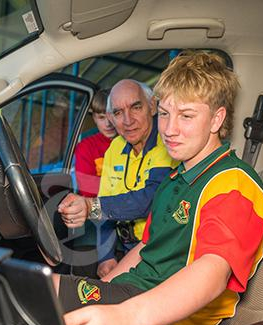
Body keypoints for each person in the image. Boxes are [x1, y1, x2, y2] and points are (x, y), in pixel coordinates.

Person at [53, 51, 263, 325]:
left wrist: (129, 318)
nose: (169, 129)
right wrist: (103, 289)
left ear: (217, 119)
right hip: (137, 294)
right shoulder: (175, 178)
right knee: (41, 292)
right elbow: (146, 245)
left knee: (46, 290)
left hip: (170, 323)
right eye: (165, 114)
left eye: (186, 116)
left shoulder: (232, 183)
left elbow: (213, 272)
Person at [59, 79, 176, 278]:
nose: (127, 121)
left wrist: (89, 206)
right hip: (125, 243)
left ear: (152, 106)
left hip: (158, 249)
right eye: (118, 113)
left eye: (135, 107)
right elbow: (106, 201)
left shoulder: (167, 142)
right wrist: (106, 256)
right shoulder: (115, 147)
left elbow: (150, 200)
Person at [74, 89, 117, 197]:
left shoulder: (132, 142)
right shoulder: (86, 147)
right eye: (101, 117)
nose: (108, 124)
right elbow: (88, 190)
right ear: (94, 118)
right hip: (96, 206)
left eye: (112, 116)